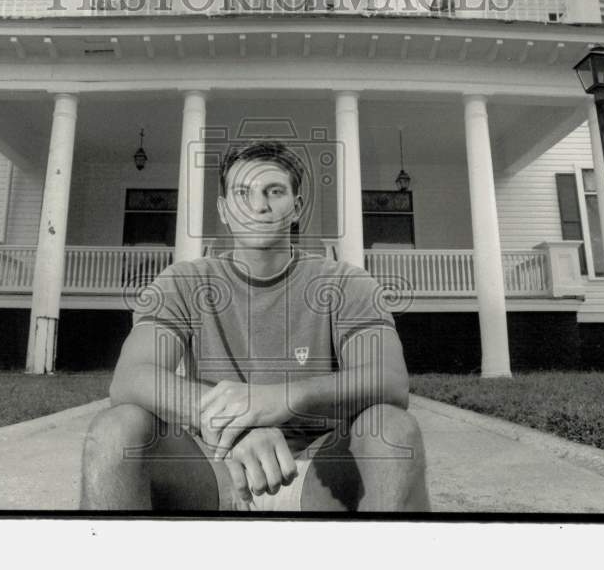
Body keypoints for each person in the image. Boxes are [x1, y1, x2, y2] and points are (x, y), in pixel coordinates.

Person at [80, 140, 429, 511]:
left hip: (314, 475)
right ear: (224, 209)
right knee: (115, 430)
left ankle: (390, 567)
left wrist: (283, 399)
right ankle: (110, 567)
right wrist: (239, 424)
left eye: (274, 191)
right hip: (212, 472)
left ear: (296, 207)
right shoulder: (183, 281)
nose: (259, 206)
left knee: (393, 430)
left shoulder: (345, 283)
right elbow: (131, 378)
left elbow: (390, 380)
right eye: (242, 192)